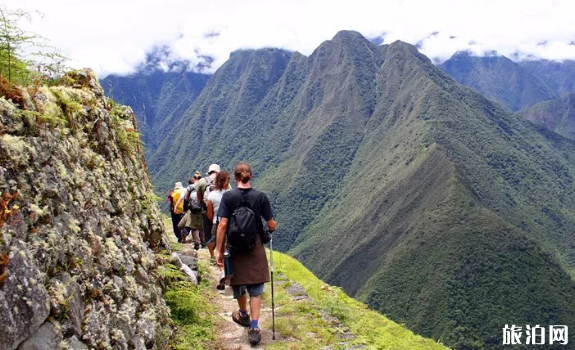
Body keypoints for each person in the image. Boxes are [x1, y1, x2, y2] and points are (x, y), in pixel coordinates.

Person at [216, 162, 276, 346]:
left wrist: (219, 250)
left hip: (234, 247)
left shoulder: (228, 197)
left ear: (235, 177)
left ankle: (243, 315)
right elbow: (271, 224)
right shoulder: (260, 197)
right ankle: (255, 328)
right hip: (254, 246)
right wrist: (270, 229)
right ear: (251, 176)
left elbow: (223, 225)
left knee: (239, 283)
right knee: (256, 288)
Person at [207, 171, 231, 289]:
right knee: (230, 248)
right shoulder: (231, 194)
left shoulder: (211, 196)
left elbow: (209, 214)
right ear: (227, 181)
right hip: (231, 224)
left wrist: (215, 220)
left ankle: (222, 271)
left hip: (217, 223)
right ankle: (230, 272)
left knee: (220, 249)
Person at [175, 172, 204, 249]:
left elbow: (186, 198)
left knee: (194, 227)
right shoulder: (203, 186)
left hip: (192, 209)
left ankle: (197, 243)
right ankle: (203, 241)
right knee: (201, 226)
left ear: (194, 179)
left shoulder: (190, 187)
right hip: (201, 209)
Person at [197, 164, 220, 257]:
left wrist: (203, 202)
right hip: (220, 212)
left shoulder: (203, 181)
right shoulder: (222, 180)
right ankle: (220, 255)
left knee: (208, 233)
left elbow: (199, 195)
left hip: (206, 211)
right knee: (220, 233)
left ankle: (212, 256)